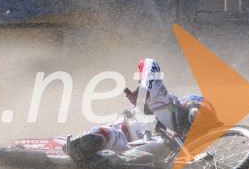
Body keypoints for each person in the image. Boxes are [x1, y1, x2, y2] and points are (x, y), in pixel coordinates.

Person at [64, 58, 215, 161]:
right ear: (189, 107)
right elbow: (149, 63)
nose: (193, 128)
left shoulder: (182, 141)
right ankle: (75, 146)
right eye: (196, 120)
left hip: (136, 154)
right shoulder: (166, 100)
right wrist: (143, 92)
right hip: (122, 134)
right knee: (105, 135)